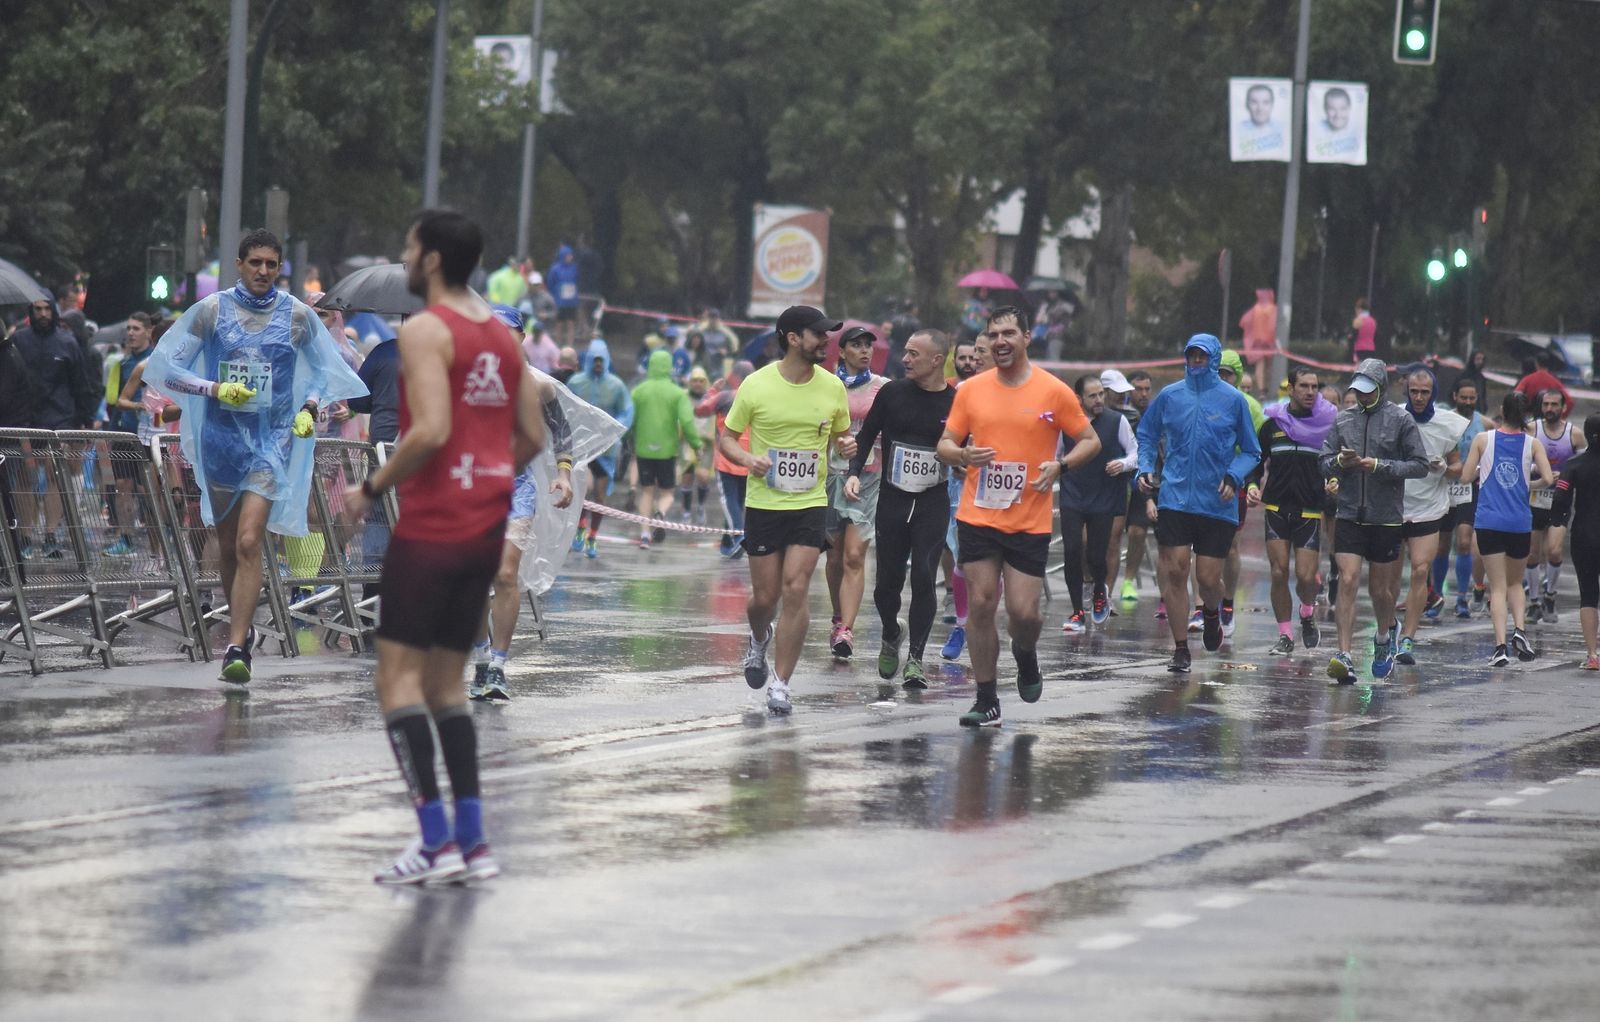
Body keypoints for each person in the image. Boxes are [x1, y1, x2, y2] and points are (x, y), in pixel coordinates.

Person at [341, 210, 544, 884]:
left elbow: (426, 430)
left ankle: (433, 842)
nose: (404, 255)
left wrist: (371, 487)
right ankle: (474, 844)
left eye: (408, 245)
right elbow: (533, 439)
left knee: (396, 680)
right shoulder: (502, 335)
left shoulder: (425, 330)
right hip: (485, 523)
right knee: (448, 686)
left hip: (430, 526)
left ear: (430, 260)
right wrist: (487, 474)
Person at [146, 229, 367, 683]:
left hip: (272, 443)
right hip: (221, 441)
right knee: (229, 545)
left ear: (279, 268)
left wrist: (310, 407)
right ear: (240, 265)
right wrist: (214, 388)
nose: (264, 271)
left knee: (250, 541)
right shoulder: (210, 312)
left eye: (272, 264)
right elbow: (169, 370)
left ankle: (234, 646)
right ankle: (241, 632)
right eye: (256, 263)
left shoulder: (299, 317)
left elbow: (328, 373)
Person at [937, 305, 1098, 726]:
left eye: (1009, 333)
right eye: (993, 334)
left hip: (1029, 519)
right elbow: (945, 445)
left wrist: (1060, 467)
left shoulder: (1054, 390)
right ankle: (986, 698)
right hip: (978, 514)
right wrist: (963, 453)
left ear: (1027, 337)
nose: (1000, 341)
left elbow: (1089, 440)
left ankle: (1025, 655)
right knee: (982, 604)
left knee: (1024, 615)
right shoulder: (972, 390)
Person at [720, 306, 853, 715]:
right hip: (763, 504)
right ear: (793, 338)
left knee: (797, 588)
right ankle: (759, 637)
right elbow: (726, 438)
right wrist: (746, 459)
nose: (826, 342)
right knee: (766, 597)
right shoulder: (756, 385)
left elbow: (841, 437)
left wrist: (845, 447)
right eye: (818, 335)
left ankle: (781, 684)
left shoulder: (833, 387)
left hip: (810, 503)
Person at [465, 305, 575, 703]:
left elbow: (561, 431)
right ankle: (479, 660)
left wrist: (563, 474)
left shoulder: (538, 385)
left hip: (517, 488)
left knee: (506, 575)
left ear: (521, 337)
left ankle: (497, 665)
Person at [1136, 335, 1260, 673]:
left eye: (1202, 357)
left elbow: (1252, 451)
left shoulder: (1234, 400)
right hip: (1175, 495)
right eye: (1191, 355)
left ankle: (1211, 614)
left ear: (1214, 359)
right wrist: (1145, 467)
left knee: (1207, 578)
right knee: (1175, 569)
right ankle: (1179, 649)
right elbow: (1146, 435)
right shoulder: (1170, 395)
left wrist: (1234, 477)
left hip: (1216, 502)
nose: (1196, 361)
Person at [846, 329, 955, 690]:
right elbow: (866, 436)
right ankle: (892, 632)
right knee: (885, 587)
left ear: (936, 360)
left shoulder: (954, 402)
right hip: (893, 499)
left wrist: (965, 462)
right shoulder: (892, 393)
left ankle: (916, 660)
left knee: (925, 575)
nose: (904, 359)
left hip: (931, 502)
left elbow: (967, 446)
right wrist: (853, 473)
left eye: (913, 354)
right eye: (905, 353)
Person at [1317, 358, 1430, 682]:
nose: (1363, 398)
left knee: (1381, 592)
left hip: (1386, 518)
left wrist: (1380, 466)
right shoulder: (1344, 420)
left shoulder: (1400, 420)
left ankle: (1384, 635)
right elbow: (1323, 462)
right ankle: (1345, 654)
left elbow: (1420, 465)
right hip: (1350, 513)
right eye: (1359, 392)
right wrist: (1339, 460)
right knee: (1348, 580)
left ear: (1381, 388)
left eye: (1369, 392)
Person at [1458, 391, 1554, 666]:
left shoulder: (1483, 439)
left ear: (1501, 410)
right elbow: (1547, 478)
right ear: (1526, 415)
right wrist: (1527, 485)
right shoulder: (1532, 444)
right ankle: (1520, 631)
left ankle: (1500, 647)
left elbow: (1465, 477)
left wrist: (1478, 468)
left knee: (1496, 587)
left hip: (1489, 522)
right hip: (1519, 523)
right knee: (1515, 583)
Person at [1246, 366, 1336, 655]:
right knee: (1278, 571)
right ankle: (1285, 634)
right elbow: (1255, 461)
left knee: (1307, 577)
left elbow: (1336, 461)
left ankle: (1307, 613)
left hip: (1310, 508)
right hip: (1276, 506)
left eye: (1314, 387)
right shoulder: (1273, 425)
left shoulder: (1327, 424)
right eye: (1304, 386)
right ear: (1291, 389)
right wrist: (1250, 485)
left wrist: (1334, 480)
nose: (1310, 392)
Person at [12, 295, 98, 558]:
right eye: (37, 309)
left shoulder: (67, 342)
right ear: (31, 312)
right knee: (24, 478)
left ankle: (50, 534)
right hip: (24, 419)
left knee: (55, 475)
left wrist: (86, 420)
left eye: (46, 309)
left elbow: (81, 383)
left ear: (54, 312)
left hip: (60, 418)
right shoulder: (18, 340)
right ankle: (26, 535)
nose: (42, 314)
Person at [1394, 367, 1468, 666]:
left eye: (1425, 392)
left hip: (1429, 506)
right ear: (1407, 391)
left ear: (1434, 392)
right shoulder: (1394, 417)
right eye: (1414, 391)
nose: (1419, 397)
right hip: (1394, 505)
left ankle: (1408, 639)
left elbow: (1457, 466)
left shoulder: (1448, 424)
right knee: (1385, 580)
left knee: (1421, 570)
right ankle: (1388, 628)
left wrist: (1443, 469)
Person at [824, 326, 888, 659]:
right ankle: (838, 617)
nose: (864, 351)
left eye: (868, 346)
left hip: (869, 479)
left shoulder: (883, 388)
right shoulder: (824, 386)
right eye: (856, 345)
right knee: (834, 556)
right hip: (830, 477)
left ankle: (847, 629)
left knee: (853, 555)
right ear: (842, 350)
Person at [1059, 374, 1137, 633]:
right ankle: (1076, 612)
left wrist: (1123, 464)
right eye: (1093, 396)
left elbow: (1135, 453)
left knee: (1096, 553)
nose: (1099, 400)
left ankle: (1100, 590)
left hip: (1104, 494)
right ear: (1078, 399)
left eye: (1101, 394)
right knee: (1072, 550)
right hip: (1073, 492)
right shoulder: (1067, 422)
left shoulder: (1117, 421)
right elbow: (1055, 454)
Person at [936, 337, 983, 660]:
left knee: (995, 565)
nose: (972, 360)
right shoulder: (955, 393)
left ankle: (985, 621)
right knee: (960, 552)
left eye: (976, 355)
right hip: (959, 483)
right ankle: (963, 624)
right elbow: (944, 440)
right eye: (966, 355)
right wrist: (958, 457)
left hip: (1004, 489)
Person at [566, 338, 633, 557]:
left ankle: (593, 537)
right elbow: (564, 406)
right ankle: (581, 527)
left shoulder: (616, 385)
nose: (597, 364)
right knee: (584, 489)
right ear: (588, 361)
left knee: (601, 497)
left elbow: (626, 410)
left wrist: (618, 428)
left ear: (606, 360)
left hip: (606, 449)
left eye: (601, 360)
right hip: (583, 446)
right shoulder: (576, 382)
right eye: (594, 360)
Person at [629, 348, 703, 548]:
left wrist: (630, 440)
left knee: (646, 492)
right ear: (670, 368)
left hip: (644, 449)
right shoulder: (677, 393)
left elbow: (629, 421)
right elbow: (687, 422)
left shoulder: (638, 391)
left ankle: (644, 534)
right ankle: (660, 513)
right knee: (667, 493)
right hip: (667, 451)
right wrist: (697, 445)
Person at [1215, 350, 1265, 637]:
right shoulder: (1203, 399)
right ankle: (1201, 605)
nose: (1222, 378)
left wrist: (1250, 482)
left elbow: (1256, 452)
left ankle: (1228, 602)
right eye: (1217, 372)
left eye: (1227, 373)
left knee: (1230, 545)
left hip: (1236, 483)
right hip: (1205, 481)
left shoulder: (1250, 407)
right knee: (1201, 546)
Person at [1528, 389, 1587, 622]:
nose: (1550, 409)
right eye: (1546, 405)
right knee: (1532, 554)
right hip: (1533, 499)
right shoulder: (1532, 430)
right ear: (1541, 407)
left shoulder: (1575, 434)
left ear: (1563, 408)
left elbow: (1584, 466)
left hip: (1559, 501)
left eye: (1554, 405)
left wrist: (1563, 474)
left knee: (1553, 550)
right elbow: (1521, 458)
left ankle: (1550, 595)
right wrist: (1538, 470)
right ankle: (1533, 602)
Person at [104, 311, 159, 556]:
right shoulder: (124, 363)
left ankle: (158, 539)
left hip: (151, 436)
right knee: (123, 485)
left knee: (149, 488)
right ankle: (125, 537)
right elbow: (116, 400)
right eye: (129, 329)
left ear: (148, 331)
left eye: (136, 328)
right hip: (126, 432)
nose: (130, 333)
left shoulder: (157, 360)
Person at [1549, 414, 1600, 670]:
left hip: (1584, 535)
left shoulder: (1575, 464)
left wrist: (1560, 519)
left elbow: (1560, 496)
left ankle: (1592, 654)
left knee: (1588, 594)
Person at [698, 360, 754, 558]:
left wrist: (712, 391)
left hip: (727, 458)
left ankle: (739, 537)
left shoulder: (724, 397)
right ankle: (727, 542)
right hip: (749, 460)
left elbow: (701, 410)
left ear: (734, 376)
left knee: (729, 500)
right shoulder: (758, 398)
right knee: (738, 502)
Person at [1120, 369, 1156, 603]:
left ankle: (1128, 581)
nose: (1143, 394)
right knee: (1128, 532)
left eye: (1146, 389)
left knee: (1139, 531)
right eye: (1138, 389)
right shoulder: (1121, 414)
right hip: (1122, 480)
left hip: (1150, 479)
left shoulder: (1155, 413)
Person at [1239, 288, 1276, 396]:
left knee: (1259, 365)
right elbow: (1276, 324)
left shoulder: (1255, 309)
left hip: (1257, 341)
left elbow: (1244, 322)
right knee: (1269, 366)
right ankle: (1268, 387)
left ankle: (1261, 390)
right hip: (1270, 341)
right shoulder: (1273, 309)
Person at [545, 243, 580, 346]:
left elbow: (577, 280)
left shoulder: (574, 267)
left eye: (571, 255)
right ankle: (558, 344)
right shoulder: (555, 269)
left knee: (571, 323)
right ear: (563, 256)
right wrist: (555, 295)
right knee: (559, 324)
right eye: (568, 255)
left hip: (572, 301)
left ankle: (570, 346)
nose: (571, 257)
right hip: (559, 301)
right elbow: (550, 283)